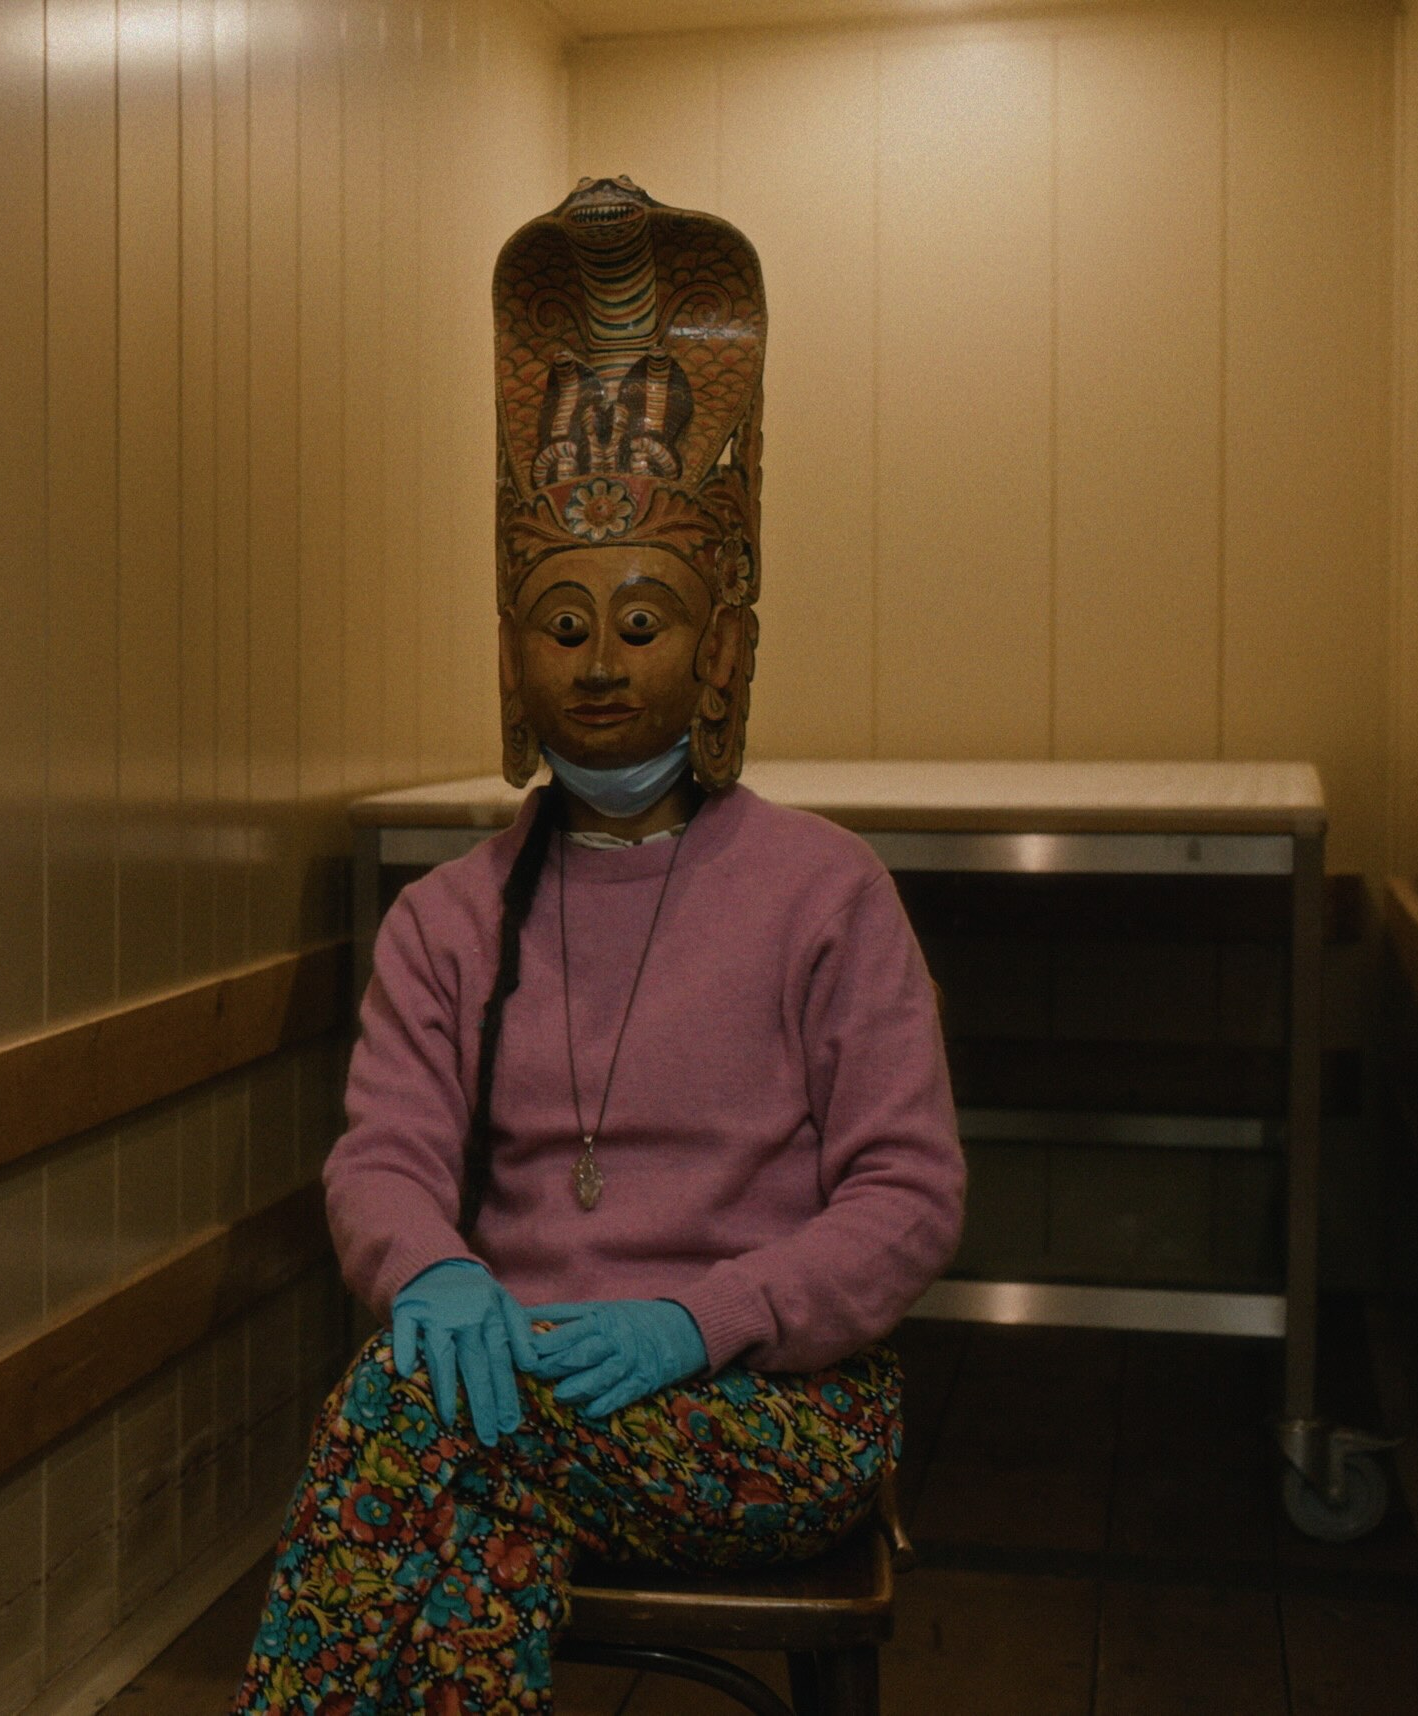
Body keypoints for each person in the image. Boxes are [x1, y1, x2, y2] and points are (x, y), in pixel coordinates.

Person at [235, 179, 964, 1715]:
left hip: (769, 1408)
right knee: (451, 1487)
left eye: (644, 624)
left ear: (720, 651)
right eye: (563, 628)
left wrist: (704, 1316)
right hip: (507, 1385)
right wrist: (435, 1271)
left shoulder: (827, 895)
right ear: (514, 661)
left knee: (402, 1428)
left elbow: (908, 1199)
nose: (602, 665)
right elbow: (381, 1159)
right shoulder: (448, 919)